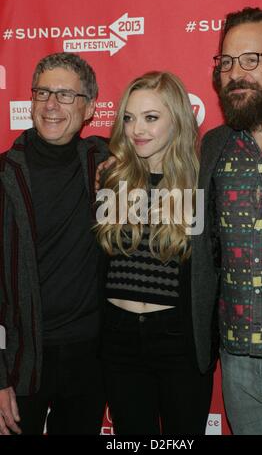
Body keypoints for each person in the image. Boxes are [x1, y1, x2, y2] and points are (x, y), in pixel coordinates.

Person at [94, 71, 219, 435]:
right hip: (118, 340)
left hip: (178, 340)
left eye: (151, 118)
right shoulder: (111, 179)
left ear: (177, 120)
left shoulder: (202, 184)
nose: (137, 130)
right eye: (130, 118)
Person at [202, 7, 262, 434]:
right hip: (238, 365)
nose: (234, 73)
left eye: (250, 60)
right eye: (226, 62)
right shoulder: (214, 147)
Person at [0, 52, 109, 435]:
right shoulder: (3, 176)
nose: (50, 104)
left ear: (90, 107)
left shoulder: (105, 161)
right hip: (20, 360)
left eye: (65, 95)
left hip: (90, 357)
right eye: (42, 92)